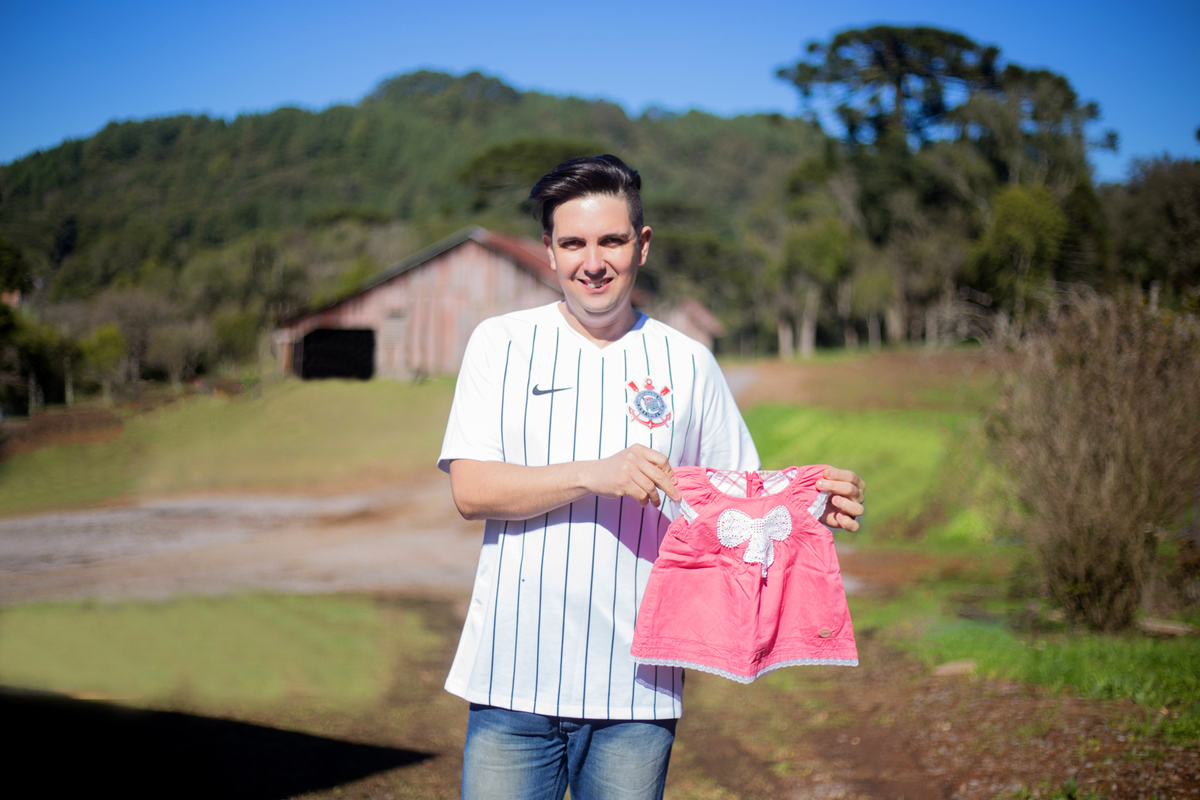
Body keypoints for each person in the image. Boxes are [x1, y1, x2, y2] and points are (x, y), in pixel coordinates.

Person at [438, 155, 865, 800]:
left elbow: (737, 502)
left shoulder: (688, 362)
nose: (593, 261)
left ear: (641, 246)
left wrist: (809, 507)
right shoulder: (499, 343)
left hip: (638, 691)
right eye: (573, 243)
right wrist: (593, 473)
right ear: (548, 252)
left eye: (611, 240)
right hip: (509, 684)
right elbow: (471, 489)